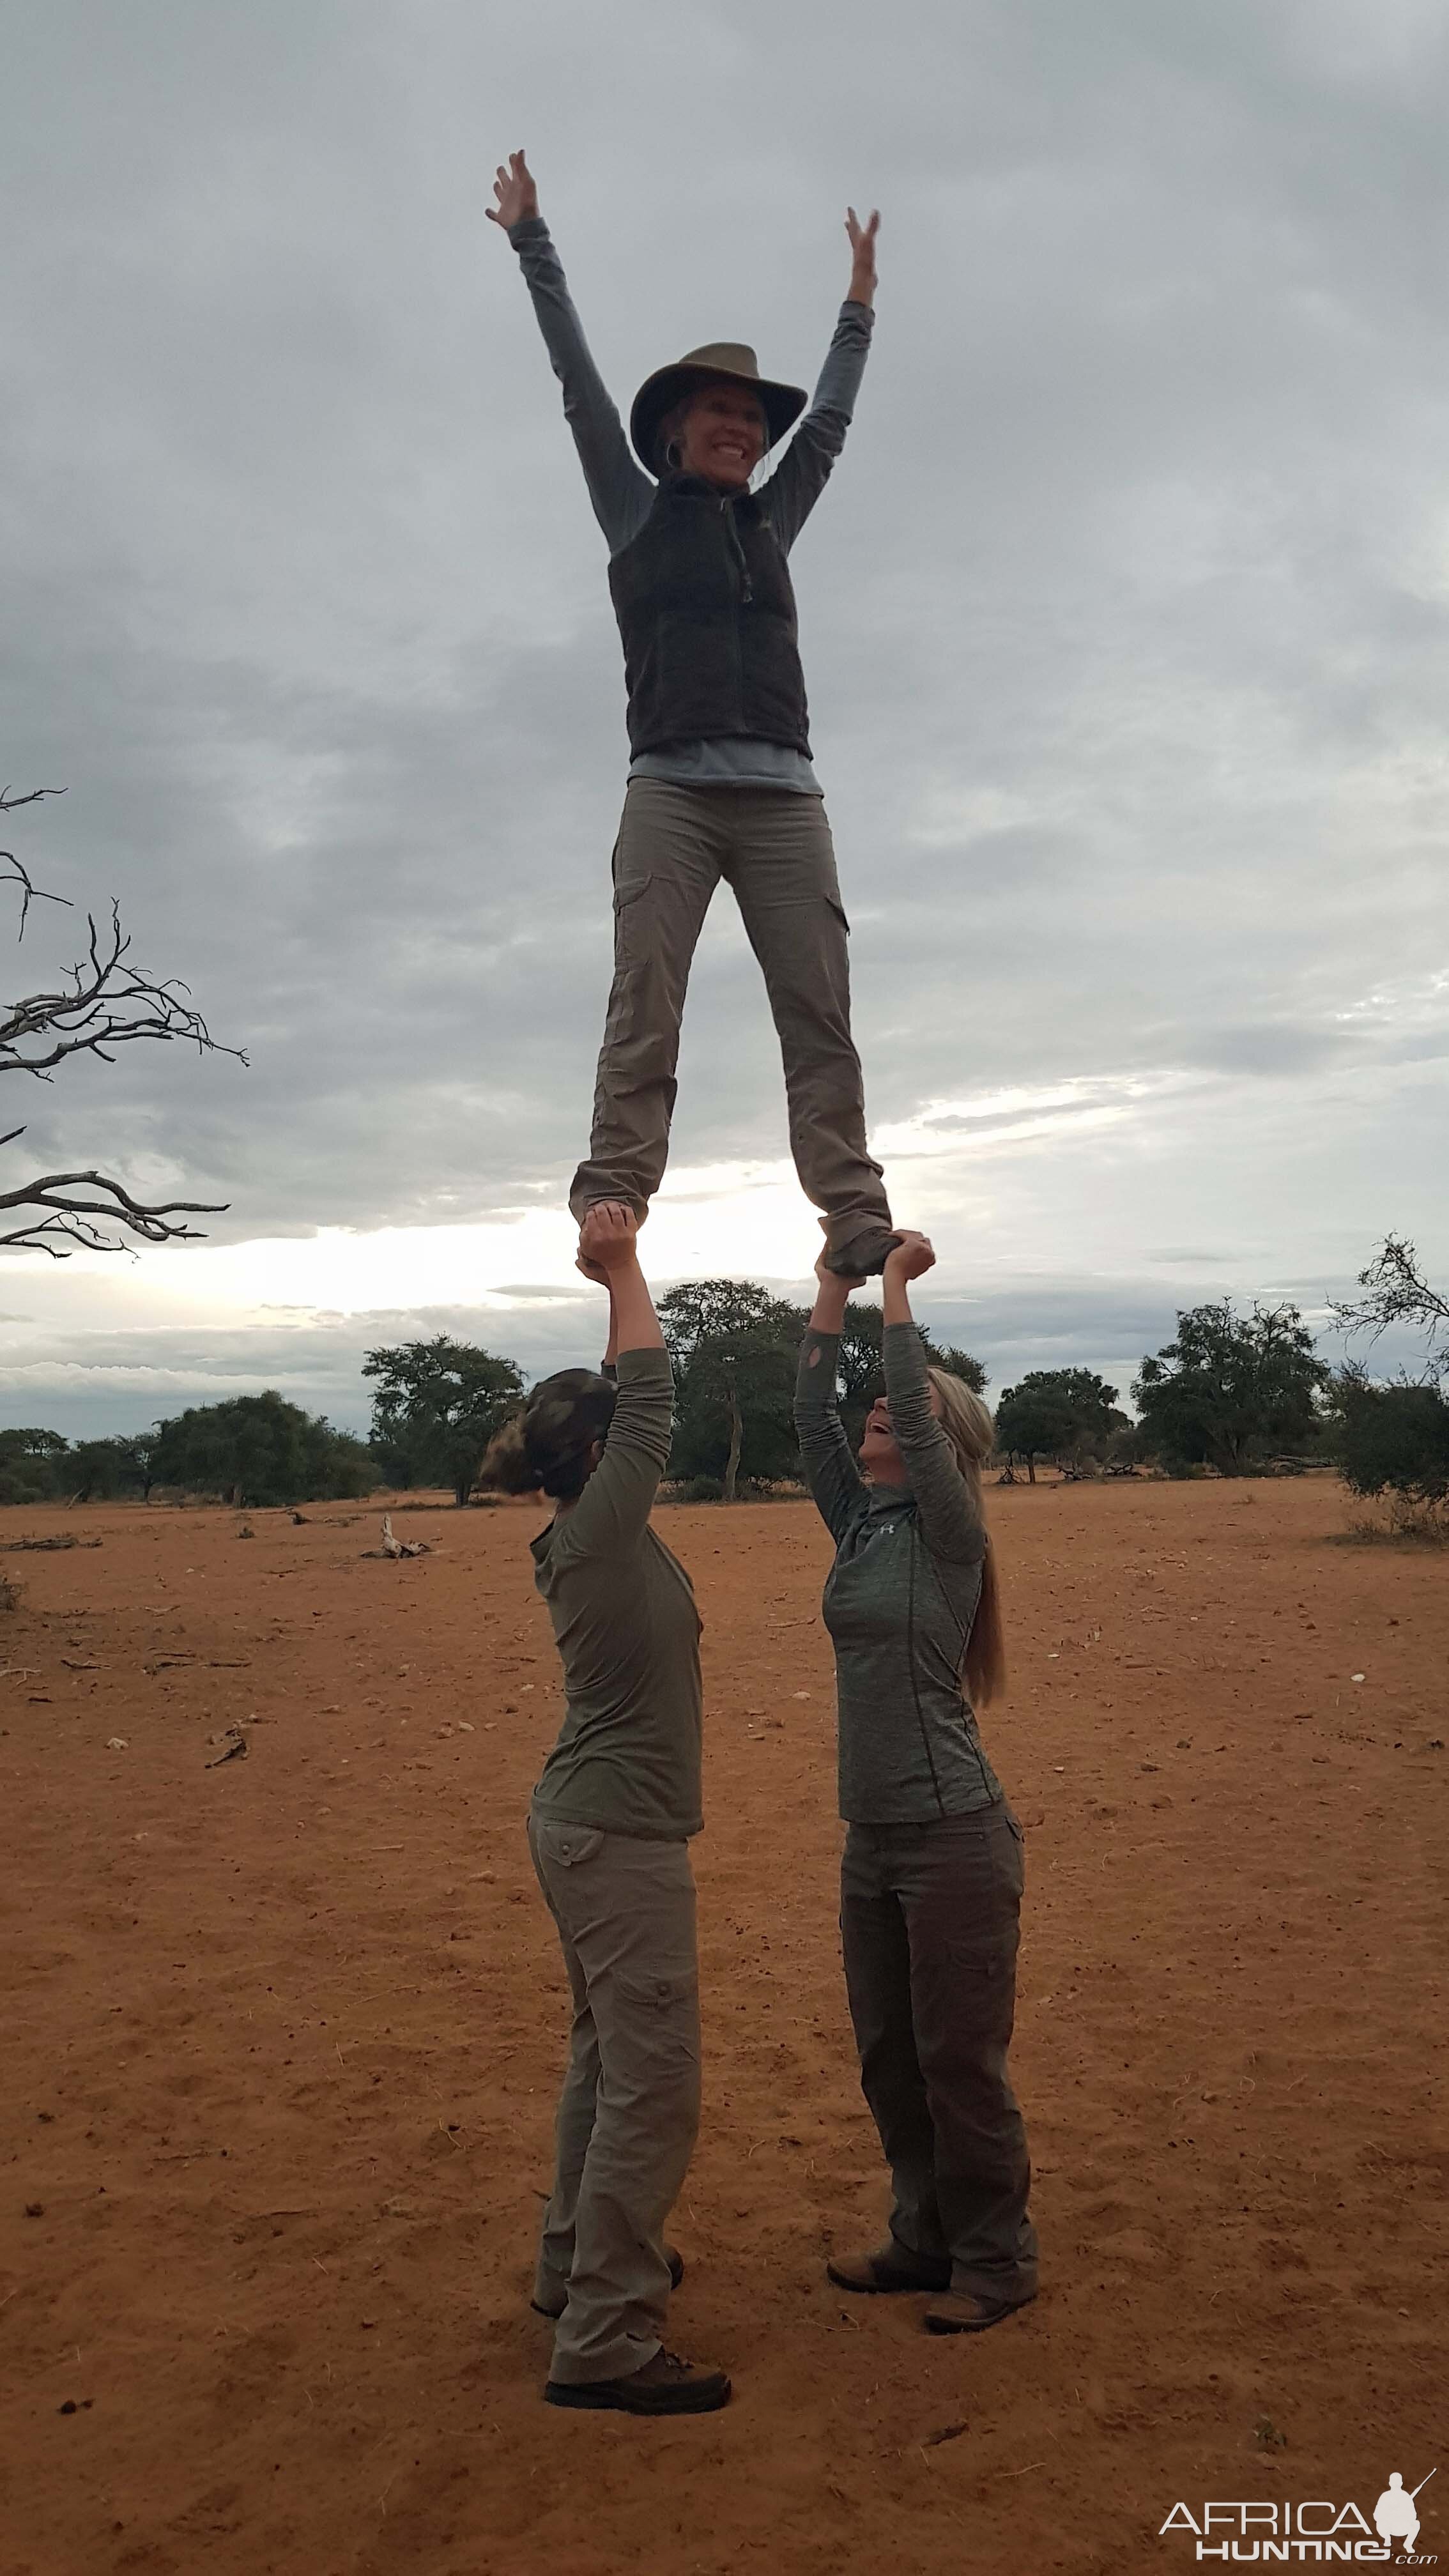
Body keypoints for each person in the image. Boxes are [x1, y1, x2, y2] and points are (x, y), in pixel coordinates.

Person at [487, 147, 900, 1279]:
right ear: (676, 428)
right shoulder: (632, 511)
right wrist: (534, 242)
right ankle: (614, 1190)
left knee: (818, 1007)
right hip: (669, 789)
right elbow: (578, 381)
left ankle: (852, 1211)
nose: (743, 428)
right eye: (720, 411)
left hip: (785, 797)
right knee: (647, 995)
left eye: (751, 419)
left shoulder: (774, 519)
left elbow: (829, 425)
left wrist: (857, 308)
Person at [480, 1200, 729, 2414]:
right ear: (594, 1460)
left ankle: (570, 2266)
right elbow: (652, 1388)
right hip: (613, 1838)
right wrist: (624, 1268)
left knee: (605, 2054)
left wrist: (606, 1276)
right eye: (621, 1438)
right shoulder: (601, 1528)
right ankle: (609, 2339)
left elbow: (630, 1402)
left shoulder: (599, 1532)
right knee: (656, 2081)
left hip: (587, 1822)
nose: (647, 1445)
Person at [794, 1229, 1038, 2333]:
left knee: (959, 2066)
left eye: (909, 1409)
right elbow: (811, 1420)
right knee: (891, 2062)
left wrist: (894, 1291)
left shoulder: (949, 1527)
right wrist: (829, 1291)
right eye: (885, 1405)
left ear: (945, 1446)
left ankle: (998, 2259)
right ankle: (922, 2236)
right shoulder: (861, 1523)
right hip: (873, 1839)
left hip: (951, 1835)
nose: (882, 1413)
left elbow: (903, 1392)